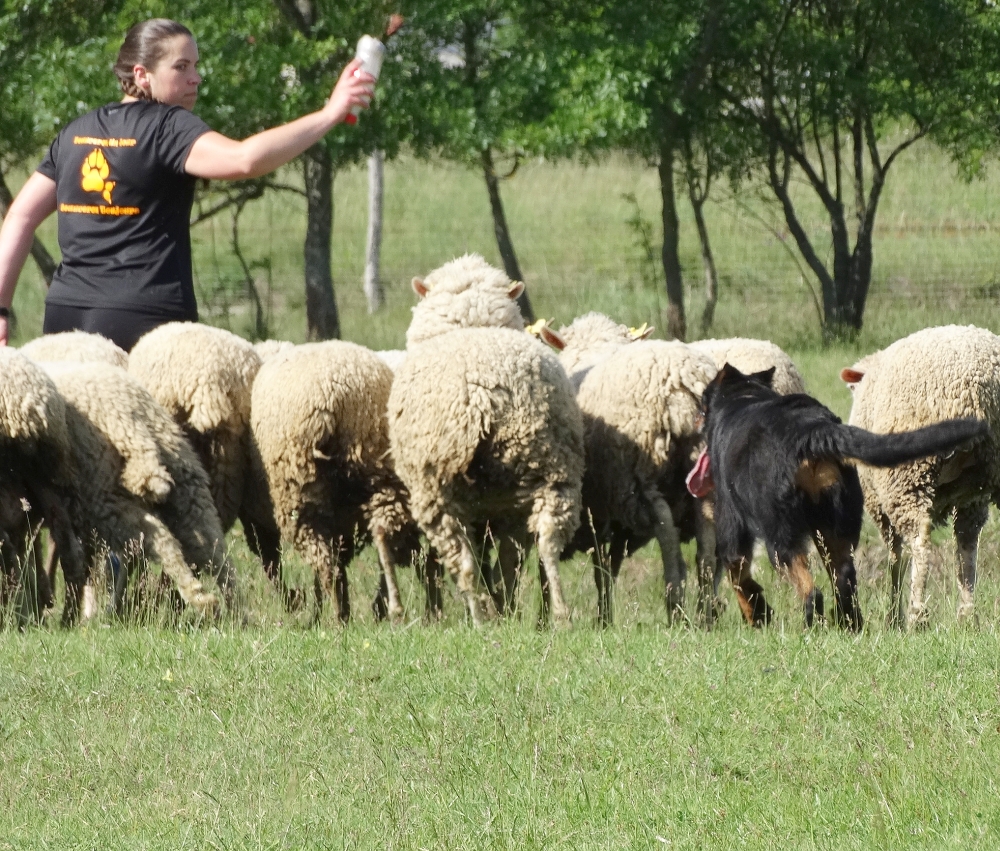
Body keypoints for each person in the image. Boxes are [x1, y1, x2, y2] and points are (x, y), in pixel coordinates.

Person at [0, 18, 374, 350]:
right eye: (181, 67)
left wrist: (0, 307)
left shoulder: (75, 132)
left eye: (195, 65)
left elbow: (19, 217)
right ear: (141, 74)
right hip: (143, 324)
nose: (196, 77)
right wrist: (329, 114)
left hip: (65, 320)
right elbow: (245, 159)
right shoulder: (168, 125)